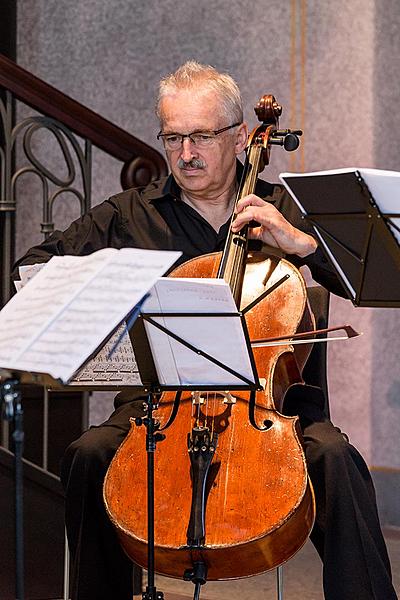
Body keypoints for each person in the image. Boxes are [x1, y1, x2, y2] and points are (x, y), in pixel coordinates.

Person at [14, 61, 397, 600]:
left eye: (201, 135)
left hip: (272, 408)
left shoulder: (284, 209)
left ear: (241, 137)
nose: (187, 153)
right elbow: (34, 269)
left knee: (336, 458)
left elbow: (371, 278)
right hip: (159, 406)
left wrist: (303, 246)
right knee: (89, 452)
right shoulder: (130, 214)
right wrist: (105, 287)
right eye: (173, 137)